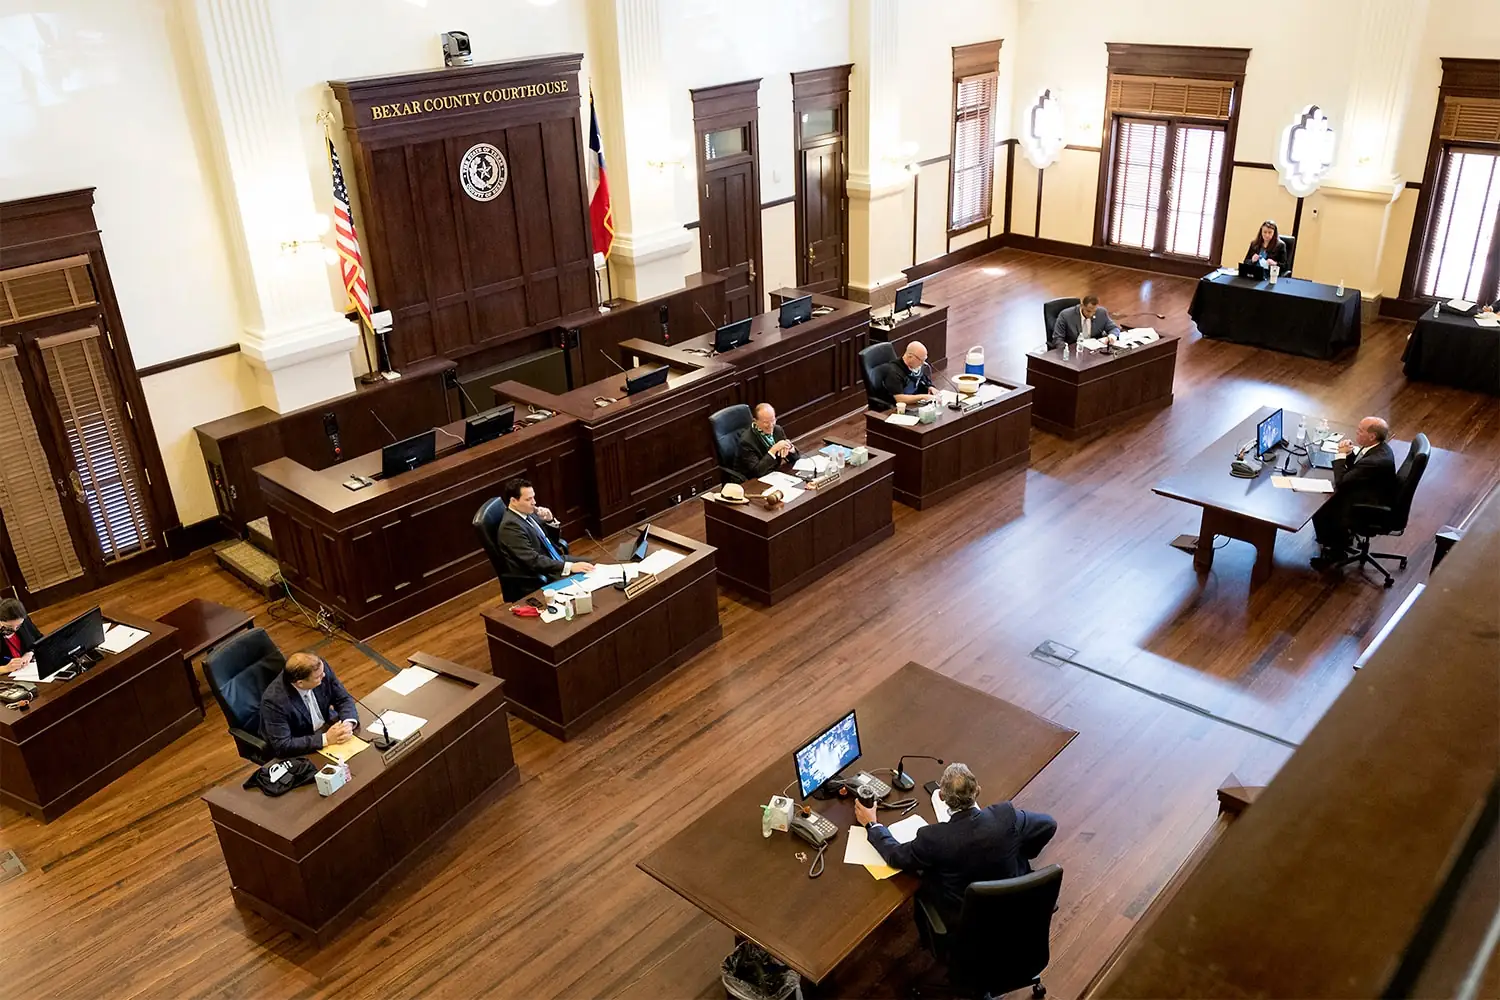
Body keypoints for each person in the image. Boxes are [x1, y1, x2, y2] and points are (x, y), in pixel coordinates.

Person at [854, 762, 1057, 928]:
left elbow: (895, 856)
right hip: (1015, 907)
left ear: (942, 797)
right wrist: (1020, 854)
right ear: (977, 790)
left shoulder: (934, 838)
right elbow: (1048, 825)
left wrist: (872, 824)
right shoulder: (1005, 816)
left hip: (968, 923)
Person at [1311, 416, 1399, 570]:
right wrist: (1350, 454)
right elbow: (1359, 469)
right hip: (1372, 491)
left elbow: (1342, 482)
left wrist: (1340, 455)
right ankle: (1340, 539)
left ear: (1372, 436)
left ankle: (1334, 551)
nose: (1356, 432)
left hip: (1368, 505)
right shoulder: (1379, 448)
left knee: (1321, 507)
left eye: (1360, 431)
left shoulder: (1375, 461)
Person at [494, 477, 594, 600]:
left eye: (533, 497)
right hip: (542, 573)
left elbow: (551, 541)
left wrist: (550, 521)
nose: (534, 502)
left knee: (594, 566)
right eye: (528, 499)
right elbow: (533, 560)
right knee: (586, 590)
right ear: (513, 501)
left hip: (555, 560)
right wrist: (569, 567)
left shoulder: (528, 512)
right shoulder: (510, 527)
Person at [258, 652, 360, 757]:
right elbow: (283, 745)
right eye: (318, 677)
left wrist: (348, 723)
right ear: (300, 683)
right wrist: (326, 739)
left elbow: (343, 698)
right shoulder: (274, 701)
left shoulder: (319, 669)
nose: (324, 675)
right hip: (303, 743)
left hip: (326, 725)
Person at [871, 340, 941, 411]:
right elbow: (900, 399)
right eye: (921, 360)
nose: (923, 363)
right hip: (896, 409)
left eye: (924, 359)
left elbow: (922, 378)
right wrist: (923, 397)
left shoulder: (916, 366)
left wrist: (930, 387)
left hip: (913, 402)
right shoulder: (894, 373)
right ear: (910, 356)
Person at [735, 403, 800, 480]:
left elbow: (795, 458)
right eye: (766, 422)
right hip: (752, 480)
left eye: (773, 420)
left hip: (773, 474)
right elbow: (757, 472)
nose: (771, 425)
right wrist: (773, 450)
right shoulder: (746, 441)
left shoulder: (777, 430)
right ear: (755, 421)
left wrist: (790, 448)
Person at [1049, 295, 1120, 349]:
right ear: (1082, 306)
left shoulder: (1101, 313)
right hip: (1074, 351)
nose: (1091, 314)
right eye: (1088, 311)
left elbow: (1114, 328)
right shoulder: (1065, 315)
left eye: (1094, 311)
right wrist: (1066, 350)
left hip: (1094, 351)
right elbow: (1057, 339)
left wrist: (1112, 336)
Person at [0, 598, 42, 675]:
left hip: (28, 669)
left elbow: (39, 639)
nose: (14, 629)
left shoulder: (23, 621)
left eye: (18, 625)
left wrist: (30, 653)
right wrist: (5, 668)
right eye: (9, 626)